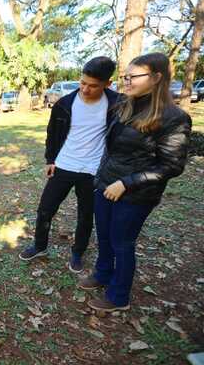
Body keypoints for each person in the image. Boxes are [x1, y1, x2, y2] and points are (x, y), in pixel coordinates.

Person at [78, 53, 191, 312]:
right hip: (106, 184)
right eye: (124, 76)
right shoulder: (124, 106)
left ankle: (119, 297)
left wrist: (126, 183)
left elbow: (171, 166)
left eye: (133, 76)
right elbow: (113, 148)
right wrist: (101, 178)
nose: (126, 81)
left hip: (135, 193)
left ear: (156, 78)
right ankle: (102, 273)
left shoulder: (174, 117)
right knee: (104, 237)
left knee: (122, 242)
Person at [19, 57, 119, 273]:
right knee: (45, 209)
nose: (85, 89)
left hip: (93, 170)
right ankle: (39, 245)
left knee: (85, 214)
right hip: (64, 165)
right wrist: (50, 160)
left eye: (93, 86)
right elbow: (52, 134)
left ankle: (77, 252)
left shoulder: (117, 104)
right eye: (82, 82)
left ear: (107, 84)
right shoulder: (64, 104)